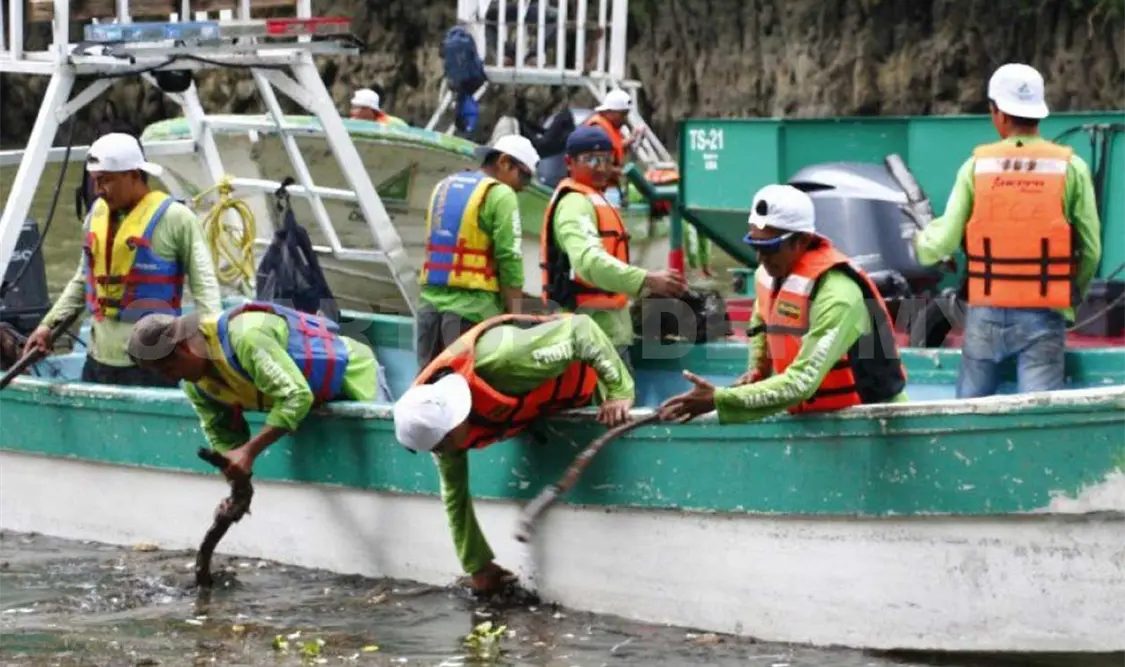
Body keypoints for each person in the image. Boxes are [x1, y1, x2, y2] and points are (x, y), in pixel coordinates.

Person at [392, 312, 635, 596]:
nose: (442, 453)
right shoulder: (436, 426)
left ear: (453, 424)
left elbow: (582, 329)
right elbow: (454, 496)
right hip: (540, 404)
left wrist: (619, 392)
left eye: (441, 447)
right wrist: (478, 566)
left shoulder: (505, 361)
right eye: (436, 449)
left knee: (612, 391)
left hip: (592, 389)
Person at [909, 63, 1101, 398]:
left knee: (969, 414)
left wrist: (918, 244)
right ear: (1039, 113)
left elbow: (942, 241)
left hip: (986, 313)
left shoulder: (977, 166)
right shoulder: (1071, 167)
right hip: (1045, 315)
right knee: (1036, 417)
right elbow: (1091, 249)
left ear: (997, 112)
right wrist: (1069, 297)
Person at [660, 184, 908, 424]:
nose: (760, 258)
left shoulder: (838, 295)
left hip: (871, 423)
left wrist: (720, 399)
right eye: (755, 246)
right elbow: (762, 319)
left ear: (802, 240)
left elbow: (801, 382)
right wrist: (757, 371)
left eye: (769, 248)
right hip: (815, 423)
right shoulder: (770, 272)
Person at [23, 133, 222, 387]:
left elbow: (206, 289)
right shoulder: (96, 215)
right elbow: (83, 280)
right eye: (95, 181)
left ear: (134, 175)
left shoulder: (177, 219)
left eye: (106, 180)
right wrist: (47, 326)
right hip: (99, 360)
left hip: (154, 364)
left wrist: (214, 354)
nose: (98, 190)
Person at [126, 301, 382, 482]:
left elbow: (296, 396)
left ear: (184, 347)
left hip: (355, 376)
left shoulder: (247, 338)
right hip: (308, 399)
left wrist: (249, 452)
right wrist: (236, 476)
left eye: (169, 368)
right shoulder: (195, 383)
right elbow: (225, 438)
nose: (172, 378)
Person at [540, 125, 687, 369]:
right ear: (569, 162)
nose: (601, 168)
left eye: (607, 160)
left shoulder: (598, 197)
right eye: (591, 160)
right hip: (588, 333)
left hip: (612, 330)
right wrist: (647, 279)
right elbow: (588, 262)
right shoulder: (574, 205)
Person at [416, 134, 542, 368]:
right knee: (463, 388)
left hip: (428, 307)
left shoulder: (444, 186)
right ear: (504, 163)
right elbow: (510, 258)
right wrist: (514, 316)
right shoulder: (501, 194)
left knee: (426, 383)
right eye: (523, 177)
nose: (523, 188)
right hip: (472, 311)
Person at [582, 89, 646, 206]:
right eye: (622, 114)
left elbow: (614, 149)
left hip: (610, 188)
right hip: (599, 191)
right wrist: (625, 173)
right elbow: (594, 164)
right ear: (610, 112)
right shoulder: (598, 129)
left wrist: (632, 139)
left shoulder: (610, 127)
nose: (625, 118)